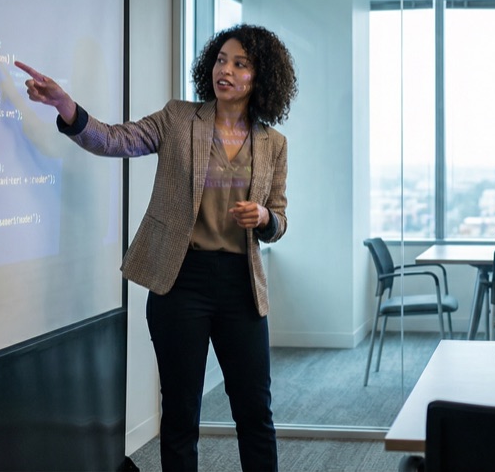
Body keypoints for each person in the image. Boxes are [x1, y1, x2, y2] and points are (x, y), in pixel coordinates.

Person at [16, 24, 297, 472]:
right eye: (222, 59)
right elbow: (114, 140)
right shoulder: (179, 118)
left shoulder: (274, 144)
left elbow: (279, 218)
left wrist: (264, 218)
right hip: (180, 280)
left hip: (241, 286)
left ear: (260, 78)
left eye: (240, 63)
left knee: (255, 413)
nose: (226, 69)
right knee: (181, 414)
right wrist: (67, 107)